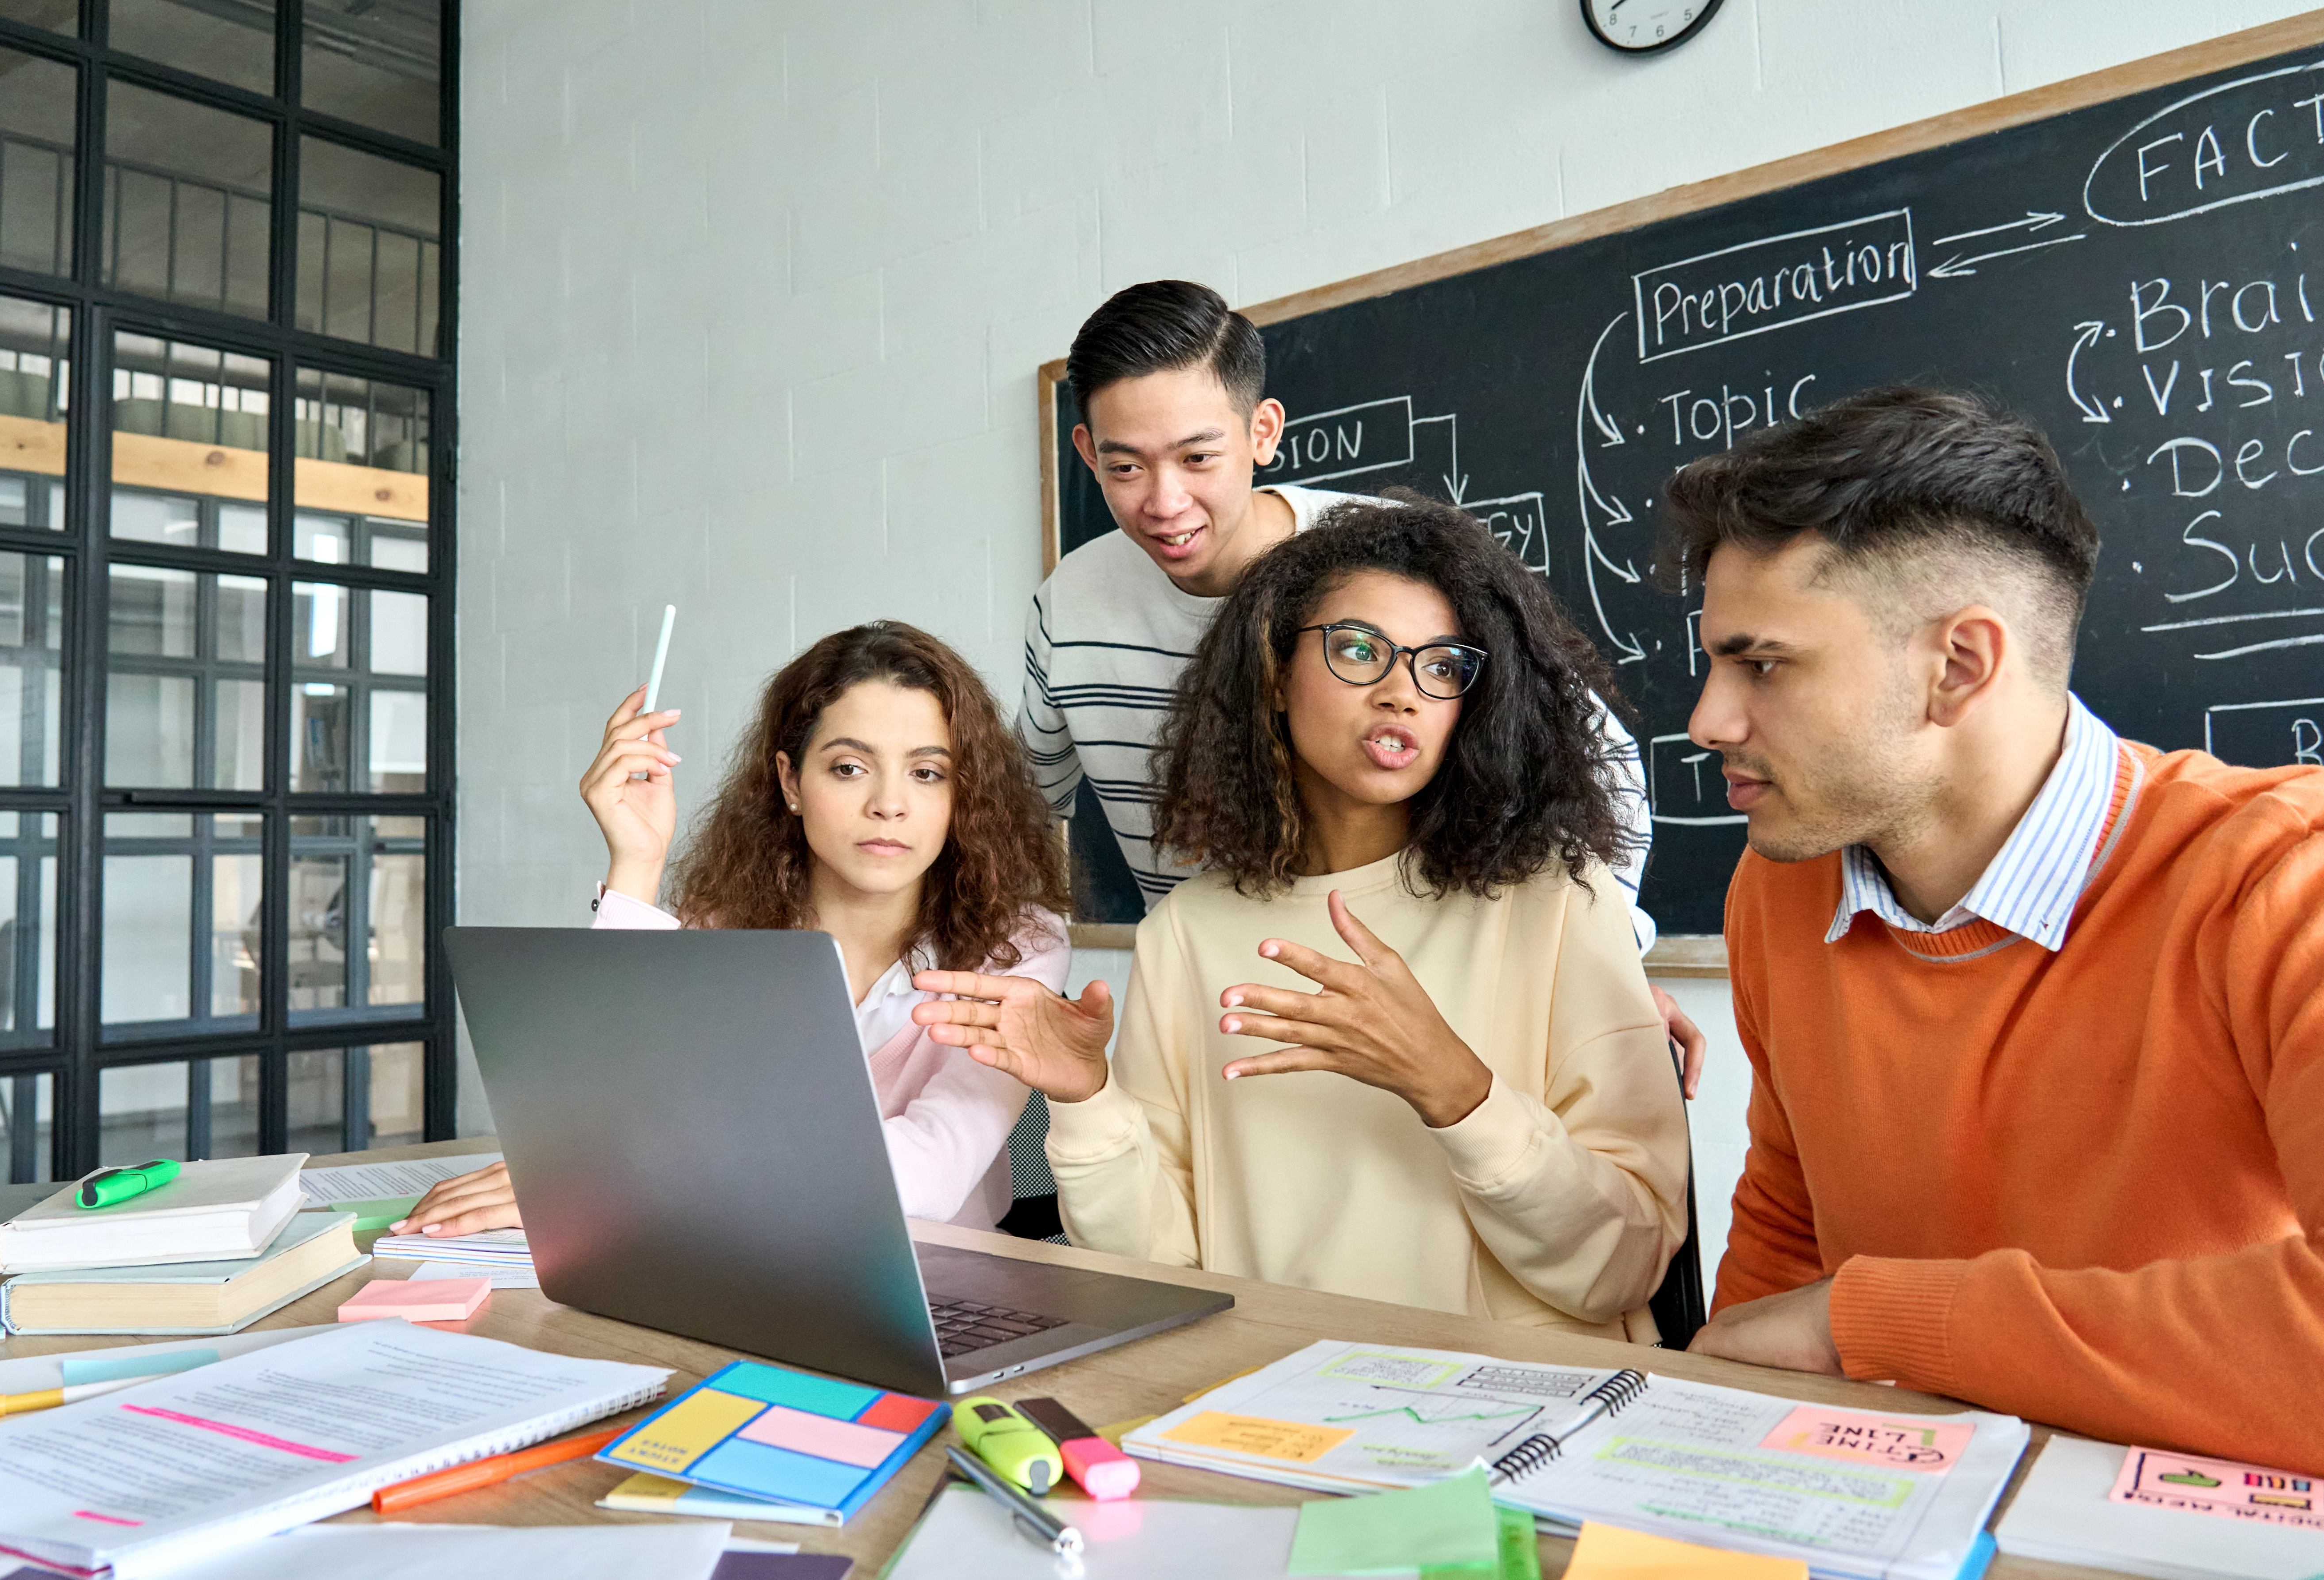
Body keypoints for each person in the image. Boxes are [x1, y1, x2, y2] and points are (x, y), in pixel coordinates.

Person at [1669, 388, 2324, 1471]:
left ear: (1958, 666)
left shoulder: (2279, 880)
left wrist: (1873, 1322)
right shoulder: (1779, 887)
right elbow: (1788, 1226)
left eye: (1762, 664)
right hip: (1890, 1507)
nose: (1706, 720)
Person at [918, 499, 1691, 1337]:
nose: (1402, 692)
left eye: (1441, 666)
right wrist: (1085, 1097)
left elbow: (1625, 1265)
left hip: (1512, 1417)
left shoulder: (1559, 902)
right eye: (1359, 649)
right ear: (1277, 676)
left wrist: (1454, 1087)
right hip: (1268, 1405)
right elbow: (1158, 1267)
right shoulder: (1188, 932)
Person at [1026, 280, 1707, 1093]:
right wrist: (1030, 973)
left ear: (1263, 431)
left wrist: (1600, 965)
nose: (1165, 502)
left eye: (1198, 457)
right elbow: (1025, 810)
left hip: (1426, 1011)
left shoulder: (1389, 570)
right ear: (1085, 451)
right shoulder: (1069, 606)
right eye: (1125, 466)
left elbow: (1604, 763)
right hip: (1213, 1012)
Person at [398, 621, 1073, 1235]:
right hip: (727, 1249)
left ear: (963, 794)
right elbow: (603, 1105)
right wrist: (637, 861)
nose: (890, 804)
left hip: (941, 1288)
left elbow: (930, 1175)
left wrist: (617, 1174)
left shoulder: (1020, 946)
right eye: (848, 767)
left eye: (928, 773)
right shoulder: (724, 925)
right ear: (790, 781)